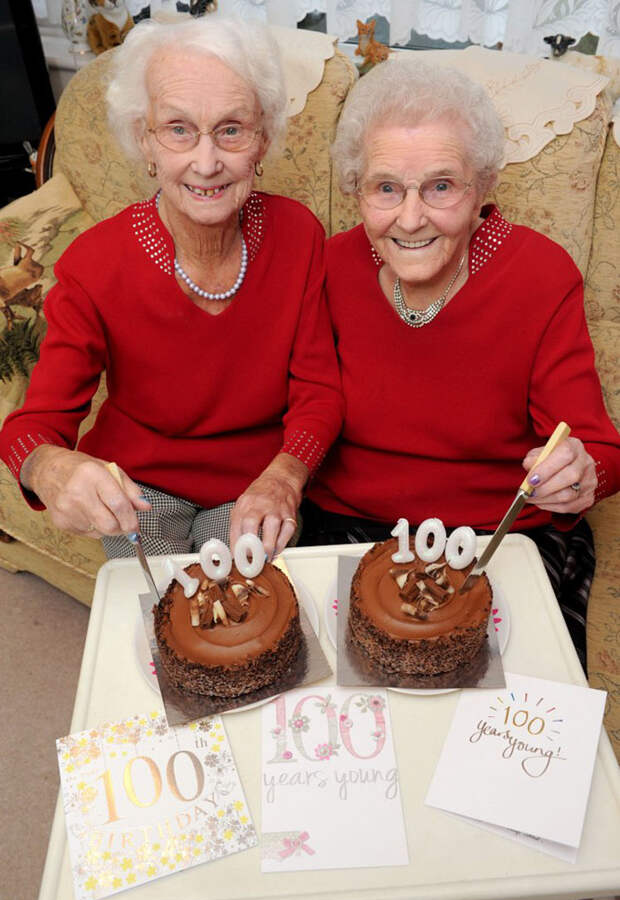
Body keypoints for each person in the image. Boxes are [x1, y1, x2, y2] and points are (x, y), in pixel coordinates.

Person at [299, 58, 620, 671]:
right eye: (386, 187)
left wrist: (578, 476)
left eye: (441, 186)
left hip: (502, 534)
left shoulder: (538, 274)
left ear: (483, 187)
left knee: (513, 737)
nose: (412, 218)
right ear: (356, 189)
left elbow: (600, 448)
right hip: (347, 526)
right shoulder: (331, 266)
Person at [0, 17, 343, 561]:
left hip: (256, 478)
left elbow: (319, 390)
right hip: (141, 487)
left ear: (264, 139)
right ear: (145, 141)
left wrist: (286, 475)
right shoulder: (96, 264)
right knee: (169, 606)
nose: (206, 163)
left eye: (231, 129)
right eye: (179, 129)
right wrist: (46, 466)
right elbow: (33, 426)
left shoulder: (298, 236)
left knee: (240, 603)